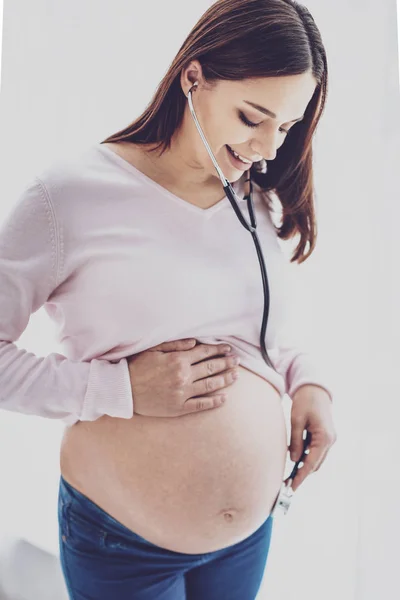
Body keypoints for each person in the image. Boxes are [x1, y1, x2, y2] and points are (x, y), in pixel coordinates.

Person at [0, 0, 337, 598]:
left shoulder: (258, 199)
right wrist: (119, 389)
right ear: (193, 77)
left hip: (248, 538)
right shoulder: (68, 197)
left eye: (286, 127)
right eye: (252, 117)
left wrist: (307, 383)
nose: (267, 149)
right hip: (120, 542)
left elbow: (262, 333)